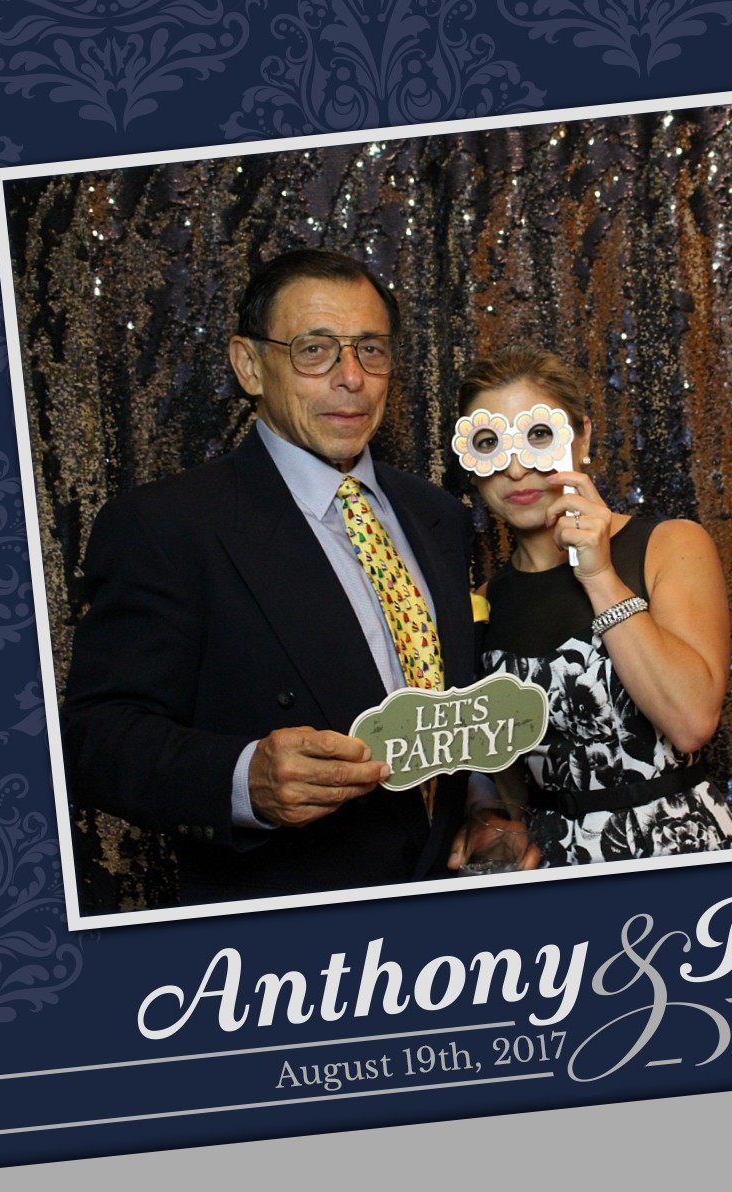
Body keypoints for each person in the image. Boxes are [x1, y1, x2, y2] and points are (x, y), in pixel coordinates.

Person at [62, 249, 479, 905]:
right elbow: (98, 736)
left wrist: (481, 808)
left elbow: (451, 707)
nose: (351, 378)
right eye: (315, 351)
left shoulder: (437, 516)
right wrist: (242, 779)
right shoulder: (168, 525)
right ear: (249, 365)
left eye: (371, 350)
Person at [450, 347, 732, 867]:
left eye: (537, 435)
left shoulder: (669, 545)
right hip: (551, 870)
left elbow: (691, 721)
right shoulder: (483, 603)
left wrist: (598, 575)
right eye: (489, 442)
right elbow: (506, 774)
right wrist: (492, 819)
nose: (516, 468)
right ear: (470, 462)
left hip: (679, 850)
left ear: (582, 438)